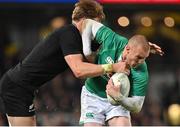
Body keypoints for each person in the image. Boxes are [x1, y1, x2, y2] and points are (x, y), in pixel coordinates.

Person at [0, 0, 131, 126]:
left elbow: (109, 48)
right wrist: (112, 67)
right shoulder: (69, 33)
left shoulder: (81, 38)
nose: (97, 29)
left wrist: (137, 48)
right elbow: (79, 71)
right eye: (95, 24)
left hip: (20, 86)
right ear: (85, 21)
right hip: (17, 87)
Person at [79, 19, 163, 126]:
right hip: (93, 95)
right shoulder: (113, 40)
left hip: (119, 102)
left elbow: (137, 106)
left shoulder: (141, 70)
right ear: (127, 49)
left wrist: (119, 97)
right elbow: (87, 23)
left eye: (144, 58)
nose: (140, 62)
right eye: (138, 57)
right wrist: (87, 53)